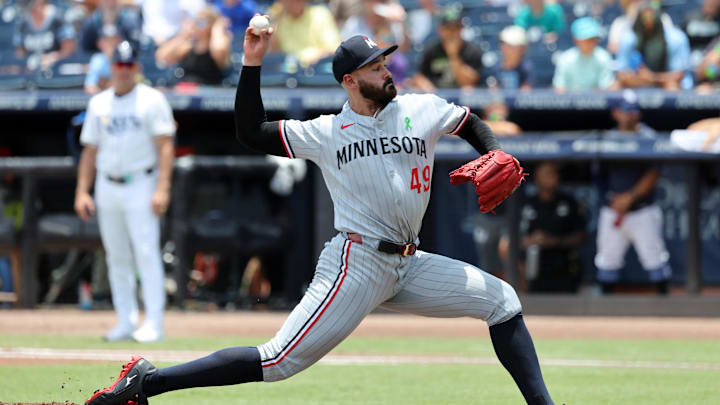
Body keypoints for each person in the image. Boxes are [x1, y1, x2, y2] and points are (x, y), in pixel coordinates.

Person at [84, 22, 557, 405]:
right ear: (350, 81)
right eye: (375, 67)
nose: (386, 71)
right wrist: (252, 62)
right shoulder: (328, 131)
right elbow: (252, 131)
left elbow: (469, 121)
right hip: (358, 263)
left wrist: (493, 150)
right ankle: (146, 383)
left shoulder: (421, 108)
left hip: (408, 263)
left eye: (385, 61)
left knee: (503, 302)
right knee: (276, 362)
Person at [74, 41, 176, 343]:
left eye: (129, 64)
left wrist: (162, 188)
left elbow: (165, 146)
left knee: (146, 253)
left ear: (137, 68)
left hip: (141, 183)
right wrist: (82, 191)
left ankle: (154, 322)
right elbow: (89, 151)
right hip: (107, 184)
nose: (123, 69)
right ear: (112, 67)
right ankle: (126, 320)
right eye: (119, 64)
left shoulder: (152, 100)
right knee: (116, 255)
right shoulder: (99, 103)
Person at [594, 90, 671, 295]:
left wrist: (630, 197)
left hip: (642, 210)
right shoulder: (606, 139)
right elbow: (599, 177)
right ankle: (602, 314)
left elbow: (653, 173)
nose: (631, 114)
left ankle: (667, 313)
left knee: (654, 258)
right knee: (607, 259)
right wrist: (611, 199)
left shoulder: (649, 137)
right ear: (616, 113)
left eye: (634, 109)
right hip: (612, 209)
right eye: (626, 109)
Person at [514, 162, 587, 293]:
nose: (554, 177)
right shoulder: (527, 204)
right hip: (533, 264)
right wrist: (528, 240)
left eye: (555, 174)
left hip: (563, 263)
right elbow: (513, 237)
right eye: (548, 174)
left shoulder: (569, 202)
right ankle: (522, 300)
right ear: (537, 179)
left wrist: (555, 241)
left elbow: (581, 236)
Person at [615, 0, 693, 90]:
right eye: (644, 16)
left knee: (672, 86)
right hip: (638, 83)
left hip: (664, 83)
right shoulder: (629, 38)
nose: (648, 20)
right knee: (615, 86)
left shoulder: (675, 38)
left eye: (651, 15)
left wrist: (652, 77)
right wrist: (642, 79)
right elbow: (622, 75)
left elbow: (678, 75)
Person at [411, 5, 484, 91]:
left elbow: (469, 82)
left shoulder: (472, 50)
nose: (452, 33)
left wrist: (453, 55)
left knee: (468, 90)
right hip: (437, 97)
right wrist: (428, 88)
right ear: (440, 30)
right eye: (448, 28)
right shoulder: (432, 49)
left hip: (462, 98)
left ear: (461, 29)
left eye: (456, 28)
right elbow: (419, 76)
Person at [155, 6, 232, 85]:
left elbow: (219, 51)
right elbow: (162, 56)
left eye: (201, 23)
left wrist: (217, 28)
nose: (196, 26)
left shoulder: (217, 46)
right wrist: (184, 35)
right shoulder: (188, 47)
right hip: (186, 92)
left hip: (210, 93)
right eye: (195, 22)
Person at [553, 17, 616, 92]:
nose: (592, 42)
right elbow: (559, 88)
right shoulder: (565, 59)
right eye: (587, 39)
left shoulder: (603, 57)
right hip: (569, 102)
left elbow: (607, 88)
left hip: (598, 102)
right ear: (576, 40)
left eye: (594, 39)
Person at [269, 0, 341, 66]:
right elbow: (275, 57)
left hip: (317, 73)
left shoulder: (320, 14)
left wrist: (312, 60)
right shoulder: (279, 22)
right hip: (289, 76)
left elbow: (333, 48)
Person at [13, 0, 77, 69]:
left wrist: (52, 58)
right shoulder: (23, 22)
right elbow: (20, 52)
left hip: (57, 70)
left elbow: (69, 50)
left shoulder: (58, 16)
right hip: (32, 72)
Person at [485, 25, 533, 90]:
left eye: (510, 46)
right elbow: (493, 92)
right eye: (503, 44)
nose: (504, 48)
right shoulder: (497, 67)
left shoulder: (527, 68)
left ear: (522, 48)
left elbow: (527, 94)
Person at [84, 24, 123, 94]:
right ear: (100, 43)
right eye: (107, 40)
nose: (111, 43)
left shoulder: (126, 58)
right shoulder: (97, 60)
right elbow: (90, 87)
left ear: (120, 41)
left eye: (114, 39)